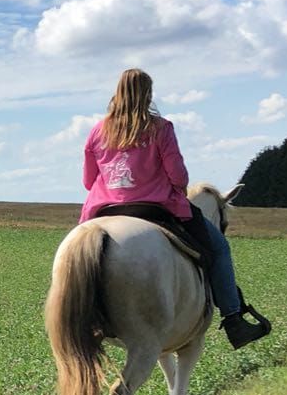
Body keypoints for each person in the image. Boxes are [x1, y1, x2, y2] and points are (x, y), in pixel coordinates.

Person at [80, 68, 271, 348]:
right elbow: (179, 177)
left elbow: (88, 181)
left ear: (117, 93)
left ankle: (82, 317)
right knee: (219, 249)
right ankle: (234, 319)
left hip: (104, 209)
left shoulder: (98, 131)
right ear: (148, 95)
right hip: (154, 207)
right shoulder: (161, 128)